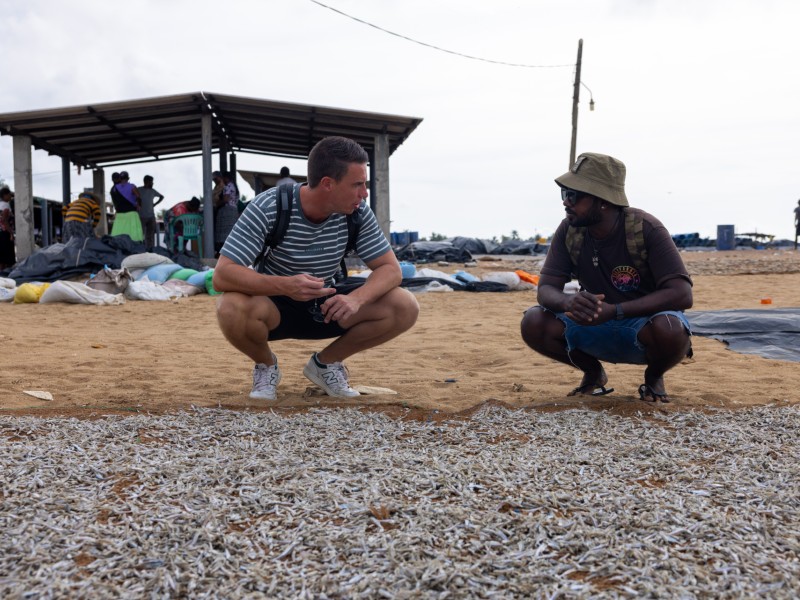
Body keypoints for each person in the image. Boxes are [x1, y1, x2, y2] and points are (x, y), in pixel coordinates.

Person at [214, 136, 419, 401]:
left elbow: (391, 270)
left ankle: (326, 364)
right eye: (357, 184)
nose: (365, 193)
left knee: (405, 305)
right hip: (275, 305)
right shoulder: (269, 207)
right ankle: (266, 365)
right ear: (327, 184)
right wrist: (286, 285)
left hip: (328, 304)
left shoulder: (358, 213)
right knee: (229, 306)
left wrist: (356, 299)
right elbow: (223, 274)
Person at [520, 152, 693, 403]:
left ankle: (654, 376)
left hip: (641, 325)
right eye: (564, 194)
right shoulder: (570, 230)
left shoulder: (646, 228)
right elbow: (545, 288)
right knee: (533, 321)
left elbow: (682, 294)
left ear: (602, 201)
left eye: (573, 195)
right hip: (592, 322)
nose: (566, 202)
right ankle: (593, 372)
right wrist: (568, 302)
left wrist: (616, 311)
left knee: (670, 326)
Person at [110, 171, 144, 242]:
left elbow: (115, 202)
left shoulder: (114, 189)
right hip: (131, 214)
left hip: (120, 215)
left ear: (119, 178)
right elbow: (138, 197)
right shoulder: (132, 186)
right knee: (134, 237)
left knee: (118, 235)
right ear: (128, 178)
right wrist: (139, 205)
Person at [213, 171, 239, 255]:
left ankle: (222, 253)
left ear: (225, 178)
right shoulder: (234, 186)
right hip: (233, 211)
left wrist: (217, 204)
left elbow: (225, 199)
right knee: (229, 233)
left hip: (227, 212)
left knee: (224, 234)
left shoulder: (228, 186)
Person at [138, 175, 165, 250]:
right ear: (146, 181)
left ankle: (150, 250)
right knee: (140, 234)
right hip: (141, 216)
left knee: (150, 234)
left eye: (152, 182)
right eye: (151, 182)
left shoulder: (153, 191)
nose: (152, 183)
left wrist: (155, 204)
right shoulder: (139, 190)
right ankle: (141, 249)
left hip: (151, 216)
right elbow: (133, 197)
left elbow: (162, 197)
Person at [0, 187, 15, 269]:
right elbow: (4, 220)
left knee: (2, 257)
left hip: (1, 233)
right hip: (5, 233)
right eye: (9, 195)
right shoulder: (5, 205)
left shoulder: (0, 204)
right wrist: (11, 233)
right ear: (4, 195)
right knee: (8, 256)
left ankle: (2, 274)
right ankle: (7, 273)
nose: (10, 196)